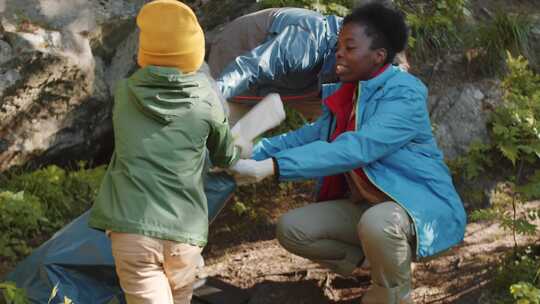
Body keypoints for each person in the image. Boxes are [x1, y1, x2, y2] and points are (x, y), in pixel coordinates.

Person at [231, 3, 466, 303]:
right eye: (338, 45)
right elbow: (307, 137)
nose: (338, 53)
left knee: (378, 224)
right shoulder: (348, 94)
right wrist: (252, 152)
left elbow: (357, 147)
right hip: (368, 208)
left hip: (415, 208)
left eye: (349, 47)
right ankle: (372, 264)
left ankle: (392, 294)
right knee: (292, 229)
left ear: (378, 56)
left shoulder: (405, 93)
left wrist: (274, 167)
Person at [88, 1, 245, 303]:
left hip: (131, 231)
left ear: (144, 53)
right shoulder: (206, 100)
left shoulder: (124, 93)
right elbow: (226, 156)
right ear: (195, 54)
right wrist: (238, 149)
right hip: (183, 234)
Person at [208, 1, 406, 101]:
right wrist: (211, 100)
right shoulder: (308, 42)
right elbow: (250, 68)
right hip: (237, 54)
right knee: (222, 127)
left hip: (296, 84)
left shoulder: (373, 65)